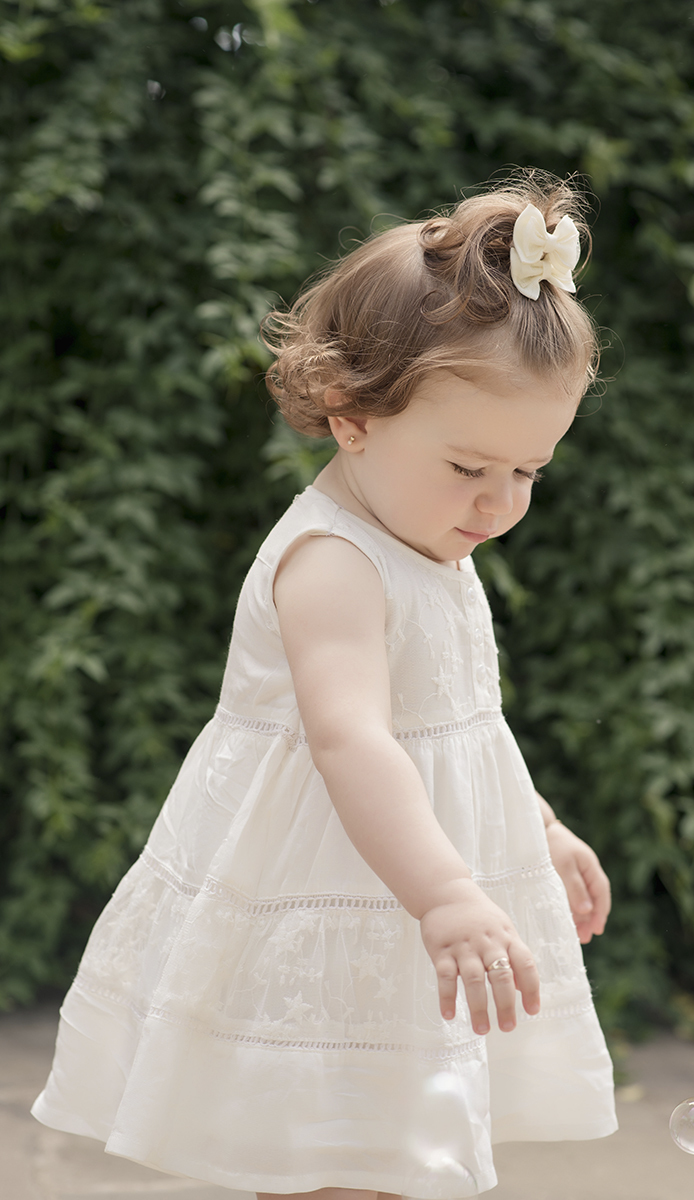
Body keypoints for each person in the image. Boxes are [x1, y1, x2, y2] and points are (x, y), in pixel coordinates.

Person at [32, 169, 618, 1199]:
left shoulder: (430, 537)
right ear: (352, 416)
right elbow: (353, 740)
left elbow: (453, 726)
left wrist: (536, 826)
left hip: (404, 894)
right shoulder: (334, 563)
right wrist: (447, 895)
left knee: (396, 1150)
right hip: (330, 901)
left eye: (528, 472)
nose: (498, 504)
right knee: (324, 1154)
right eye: (470, 467)